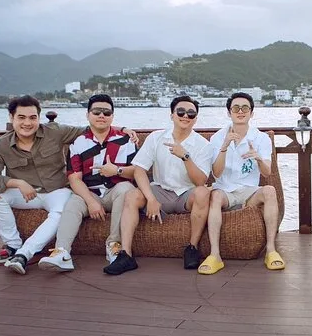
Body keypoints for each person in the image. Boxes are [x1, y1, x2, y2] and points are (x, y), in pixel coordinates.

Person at [0, 95, 135, 274]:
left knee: (61, 209)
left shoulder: (54, 131)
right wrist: (17, 182)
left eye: (33, 117)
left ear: (39, 118)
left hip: (56, 191)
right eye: (21, 117)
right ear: (11, 118)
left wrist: (124, 129)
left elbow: (94, 127)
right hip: (26, 194)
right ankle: (13, 245)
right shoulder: (0, 146)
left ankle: (24, 253)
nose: (27, 123)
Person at [103, 96, 212, 275]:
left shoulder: (203, 145)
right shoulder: (156, 137)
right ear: (172, 115)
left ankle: (192, 248)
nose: (185, 116)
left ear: (195, 119)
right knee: (132, 195)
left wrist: (185, 157)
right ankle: (126, 254)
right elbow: (139, 170)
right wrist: (151, 199)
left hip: (186, 193)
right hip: (160, 190)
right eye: (181, 112)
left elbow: (200, 181)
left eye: (191, 114)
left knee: (202, 193)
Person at [38, 94, 138, 272]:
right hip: (90, 192)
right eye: (96, 112)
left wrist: (117, 170)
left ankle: (115, 246)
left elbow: (138, 171)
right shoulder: (79, 143)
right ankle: (62, 252)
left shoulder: (126, 140)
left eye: (106, 112)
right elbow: (74, 178)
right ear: (88, 115)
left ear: (112, 116)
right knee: (73, 202)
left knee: (126, 189)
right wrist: (91, 202)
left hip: (116, 191)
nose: (101, 115)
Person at [198, 92, 284, 275]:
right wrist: (224, 147)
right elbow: (216, 173)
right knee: (215, 196)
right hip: (225, 191)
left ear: (251, 113)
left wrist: (258, 158)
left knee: (269, 190)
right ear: (229, 112)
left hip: (249, 192)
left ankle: (271, 250)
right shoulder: (217, 138)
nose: (240, 111)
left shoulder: (261, 138)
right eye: (235, 108)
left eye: (245, 108)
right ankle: (215, 255)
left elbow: (267, 172)